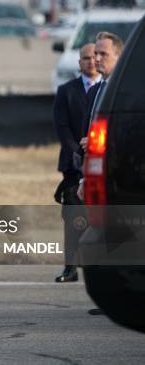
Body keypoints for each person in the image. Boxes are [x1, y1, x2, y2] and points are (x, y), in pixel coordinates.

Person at [76, 31, 124, 316]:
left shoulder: (126, 92)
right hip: (98, 175)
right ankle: (109, 300)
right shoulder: (98, 90)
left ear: (120, 56)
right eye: (95, 54)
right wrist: (84, 177)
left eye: (103, 54)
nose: (96, 59)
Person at [53, 43, 101, 283]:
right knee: (74, 218)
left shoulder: (105, 90)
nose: (91, 61)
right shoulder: (66, 91)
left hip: (99, 163)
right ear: (79, 62)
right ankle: (70, 267)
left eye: (94, 57)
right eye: (85, 58)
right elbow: (63, 129)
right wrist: (78, 156)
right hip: (73, 167)